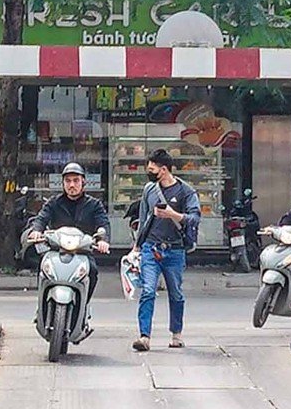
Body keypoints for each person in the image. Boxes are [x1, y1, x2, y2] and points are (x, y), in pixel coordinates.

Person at [28, 162, 112, 329]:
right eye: (68, 181)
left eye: (76, 180)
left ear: (83, 183)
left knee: (93, 272)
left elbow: (103, 224)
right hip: (56, 250)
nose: (72, 185)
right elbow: (41, 218)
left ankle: (82, 307)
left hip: (83, 252)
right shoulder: (53, 202)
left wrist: (103, 240)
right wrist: (37, 230)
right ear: (63, 183)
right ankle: (42, 308)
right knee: (44, 269)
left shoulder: (94, 205)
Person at [132, 149, 200, 352]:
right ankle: (144, 336)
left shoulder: (186, 191)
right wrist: (136, 246)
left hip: (175, 250)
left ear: (164, 169)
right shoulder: (149, 190)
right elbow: (144, 219)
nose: (149, 172)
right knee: (147, 291)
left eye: (152, 169)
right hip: (150, 248)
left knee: (176, 293)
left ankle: (176, 334)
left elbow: (195, 218)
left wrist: (173, 215)